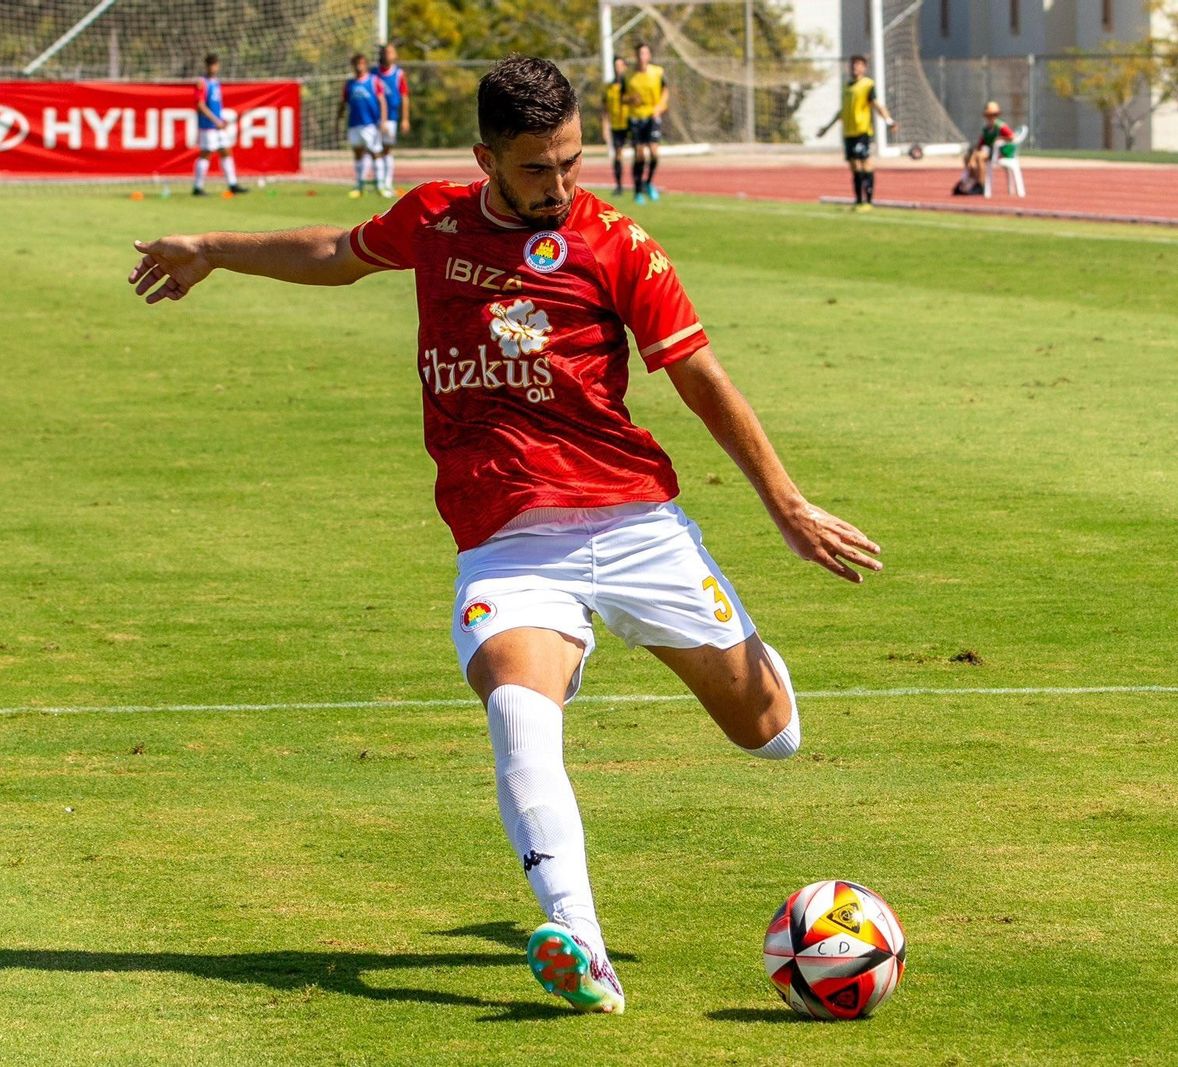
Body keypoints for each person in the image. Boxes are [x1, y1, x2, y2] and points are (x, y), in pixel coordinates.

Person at [127, 55, 880, 1016]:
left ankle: (736, 652)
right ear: (485, 156)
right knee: (518, 711)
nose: (560, 185)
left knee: (768, 733)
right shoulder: (435, 218)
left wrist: (788, 504)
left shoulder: (620, 245)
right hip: (510, 545)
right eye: (536, 169)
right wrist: (216, 247)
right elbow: (335, 251)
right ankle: (582, 944)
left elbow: (697, 374)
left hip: (637, 521)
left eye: (572, 161)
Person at [816, 55, 895, 212]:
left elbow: (876, 105)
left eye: (858, 65)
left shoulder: (867, 85)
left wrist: (888, 121)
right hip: (848, 133)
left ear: (864, 68)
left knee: (865, 163)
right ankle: (859, 201)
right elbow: (842, 111)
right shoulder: (846, 87)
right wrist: (827, 128)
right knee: (854, 166)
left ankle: (869, 202)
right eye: (853, 64)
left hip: (862, 131)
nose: (854, 67)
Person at [192, 53, 248, 197]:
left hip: (218, 125)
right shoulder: (202, 82)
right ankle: (198, 188)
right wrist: (215, 120)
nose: (213, 67)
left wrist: (221, 119)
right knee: (206, 154)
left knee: (225, 151)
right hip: (207, 125)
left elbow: (216, 105)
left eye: (215, 64)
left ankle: (233, 184)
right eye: (211, 64)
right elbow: (200, 105)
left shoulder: (216, 82)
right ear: (206, 66)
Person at [337, 53, 388, 198]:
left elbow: (382, 101)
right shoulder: (349, 84)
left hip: (370, 124)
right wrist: (338, 118)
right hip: (354, 124)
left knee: (376, 153)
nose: (359, 66)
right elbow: (343, 103)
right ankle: (359, 186)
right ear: (353, 66)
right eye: (356, 63)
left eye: (361, 63)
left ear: (365, 64)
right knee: (358, 154)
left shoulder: (374, 81)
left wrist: (383, 121)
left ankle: (381, 186)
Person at [622, 43, 667, 204]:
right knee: (639, 154)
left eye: (645, 53)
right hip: (635, 118)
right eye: (639, 53)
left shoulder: (658, 72)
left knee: (654, 153)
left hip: (652, 117)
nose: (642, 56)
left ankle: (648, 183)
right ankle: (638, 191)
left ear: (649, 55)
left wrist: (660, 107)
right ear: (636, 56)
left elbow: (665, 91)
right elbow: (622, 97)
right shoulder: (628, 76)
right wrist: (630, 99)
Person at [373, 43, 411, 198]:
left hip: (391, 118)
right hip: (373, 118)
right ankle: (378, 183)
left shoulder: (398, 73)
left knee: (387, 150)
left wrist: (405, 119)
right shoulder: (373, 72)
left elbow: (404, 97)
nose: (388, 55)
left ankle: (387, 183)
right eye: (385, 52)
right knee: (374, 151)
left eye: (391, 52)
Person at [964, 101, 1015, 192]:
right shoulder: (986, 129)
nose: (991, 117)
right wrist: (972, 157)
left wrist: (999, 139)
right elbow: (980, 144)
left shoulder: (1001, 126)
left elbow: (1012, 137)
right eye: (989, 115)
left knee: (980, 157)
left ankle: (981, 185)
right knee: (969, 157)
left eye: (993, 115)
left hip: (1000, 153)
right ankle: (972, 181)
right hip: (989, 151)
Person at [601, 56, 630, 196]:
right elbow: (605, 109)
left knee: (640, 153)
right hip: (617, 126)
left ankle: (640, 185)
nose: (617, 68)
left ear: (625, 67)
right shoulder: (610, 87)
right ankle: (619, 186)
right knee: (617, 155)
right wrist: (604, 127)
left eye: (620, 65)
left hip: (631, 123)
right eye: (615, 66)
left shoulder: (631, 84)